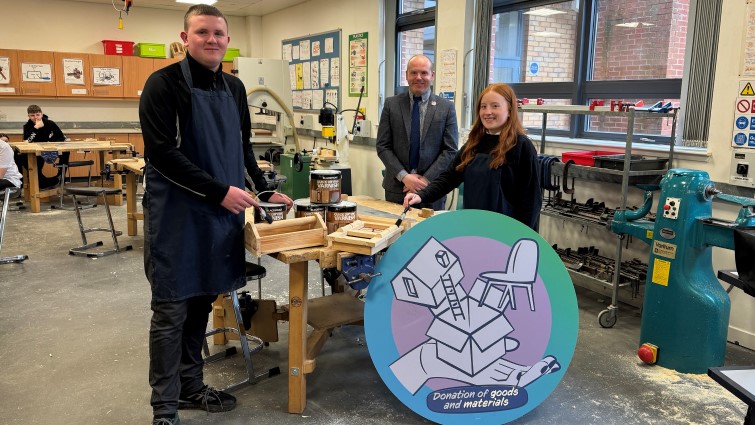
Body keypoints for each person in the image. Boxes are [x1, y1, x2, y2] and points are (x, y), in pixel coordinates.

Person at [138, 5, 293, 425]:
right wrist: (219, 191)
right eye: (202, 32)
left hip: (219, 216)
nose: (212, 39)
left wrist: (262, 190)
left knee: (203, 300)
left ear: (228, 39)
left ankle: (190, 386)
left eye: (219, 33)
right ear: (185, 37)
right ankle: (164, 410)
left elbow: (243, 148)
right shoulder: (163, 84)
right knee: (171, 310)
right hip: (176, 215)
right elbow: (162, 155)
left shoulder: (235, 88)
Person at [403, 83, 542, 231]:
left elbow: (531, 202)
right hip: (474, 227)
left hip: (505, 232)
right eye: (483, 107)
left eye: (495, 106)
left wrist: (519, 237)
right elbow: (449, 177)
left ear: (509, 110)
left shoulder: (522, 146)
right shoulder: (475, 143)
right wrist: (421, 195)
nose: (488, 112)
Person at [376, 54, 458, 210]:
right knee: (397, 233)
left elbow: (450, 150)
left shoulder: (446, 108)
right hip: (397, 188)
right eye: (413, 72)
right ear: (407, 75)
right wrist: (405, 177)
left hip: (432, 189)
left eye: (424, 73)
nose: (418, 77)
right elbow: (382, 146)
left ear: (432, 76)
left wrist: (424, 181)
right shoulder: (391, 104)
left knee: (431, 233)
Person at [22, 105, 67, 189]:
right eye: (32, 115)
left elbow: (61, 137)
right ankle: (39, 180)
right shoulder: (27, 126)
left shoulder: (50, 123)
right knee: (25, 157)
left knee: (66, 152)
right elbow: (27, 141)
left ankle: (61, 176)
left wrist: (52, 143)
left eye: (37, 115)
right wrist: (36, 128)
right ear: (28, 116)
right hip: (36, 151)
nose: (35, 117)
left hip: (51, 148)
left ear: (41, 114)